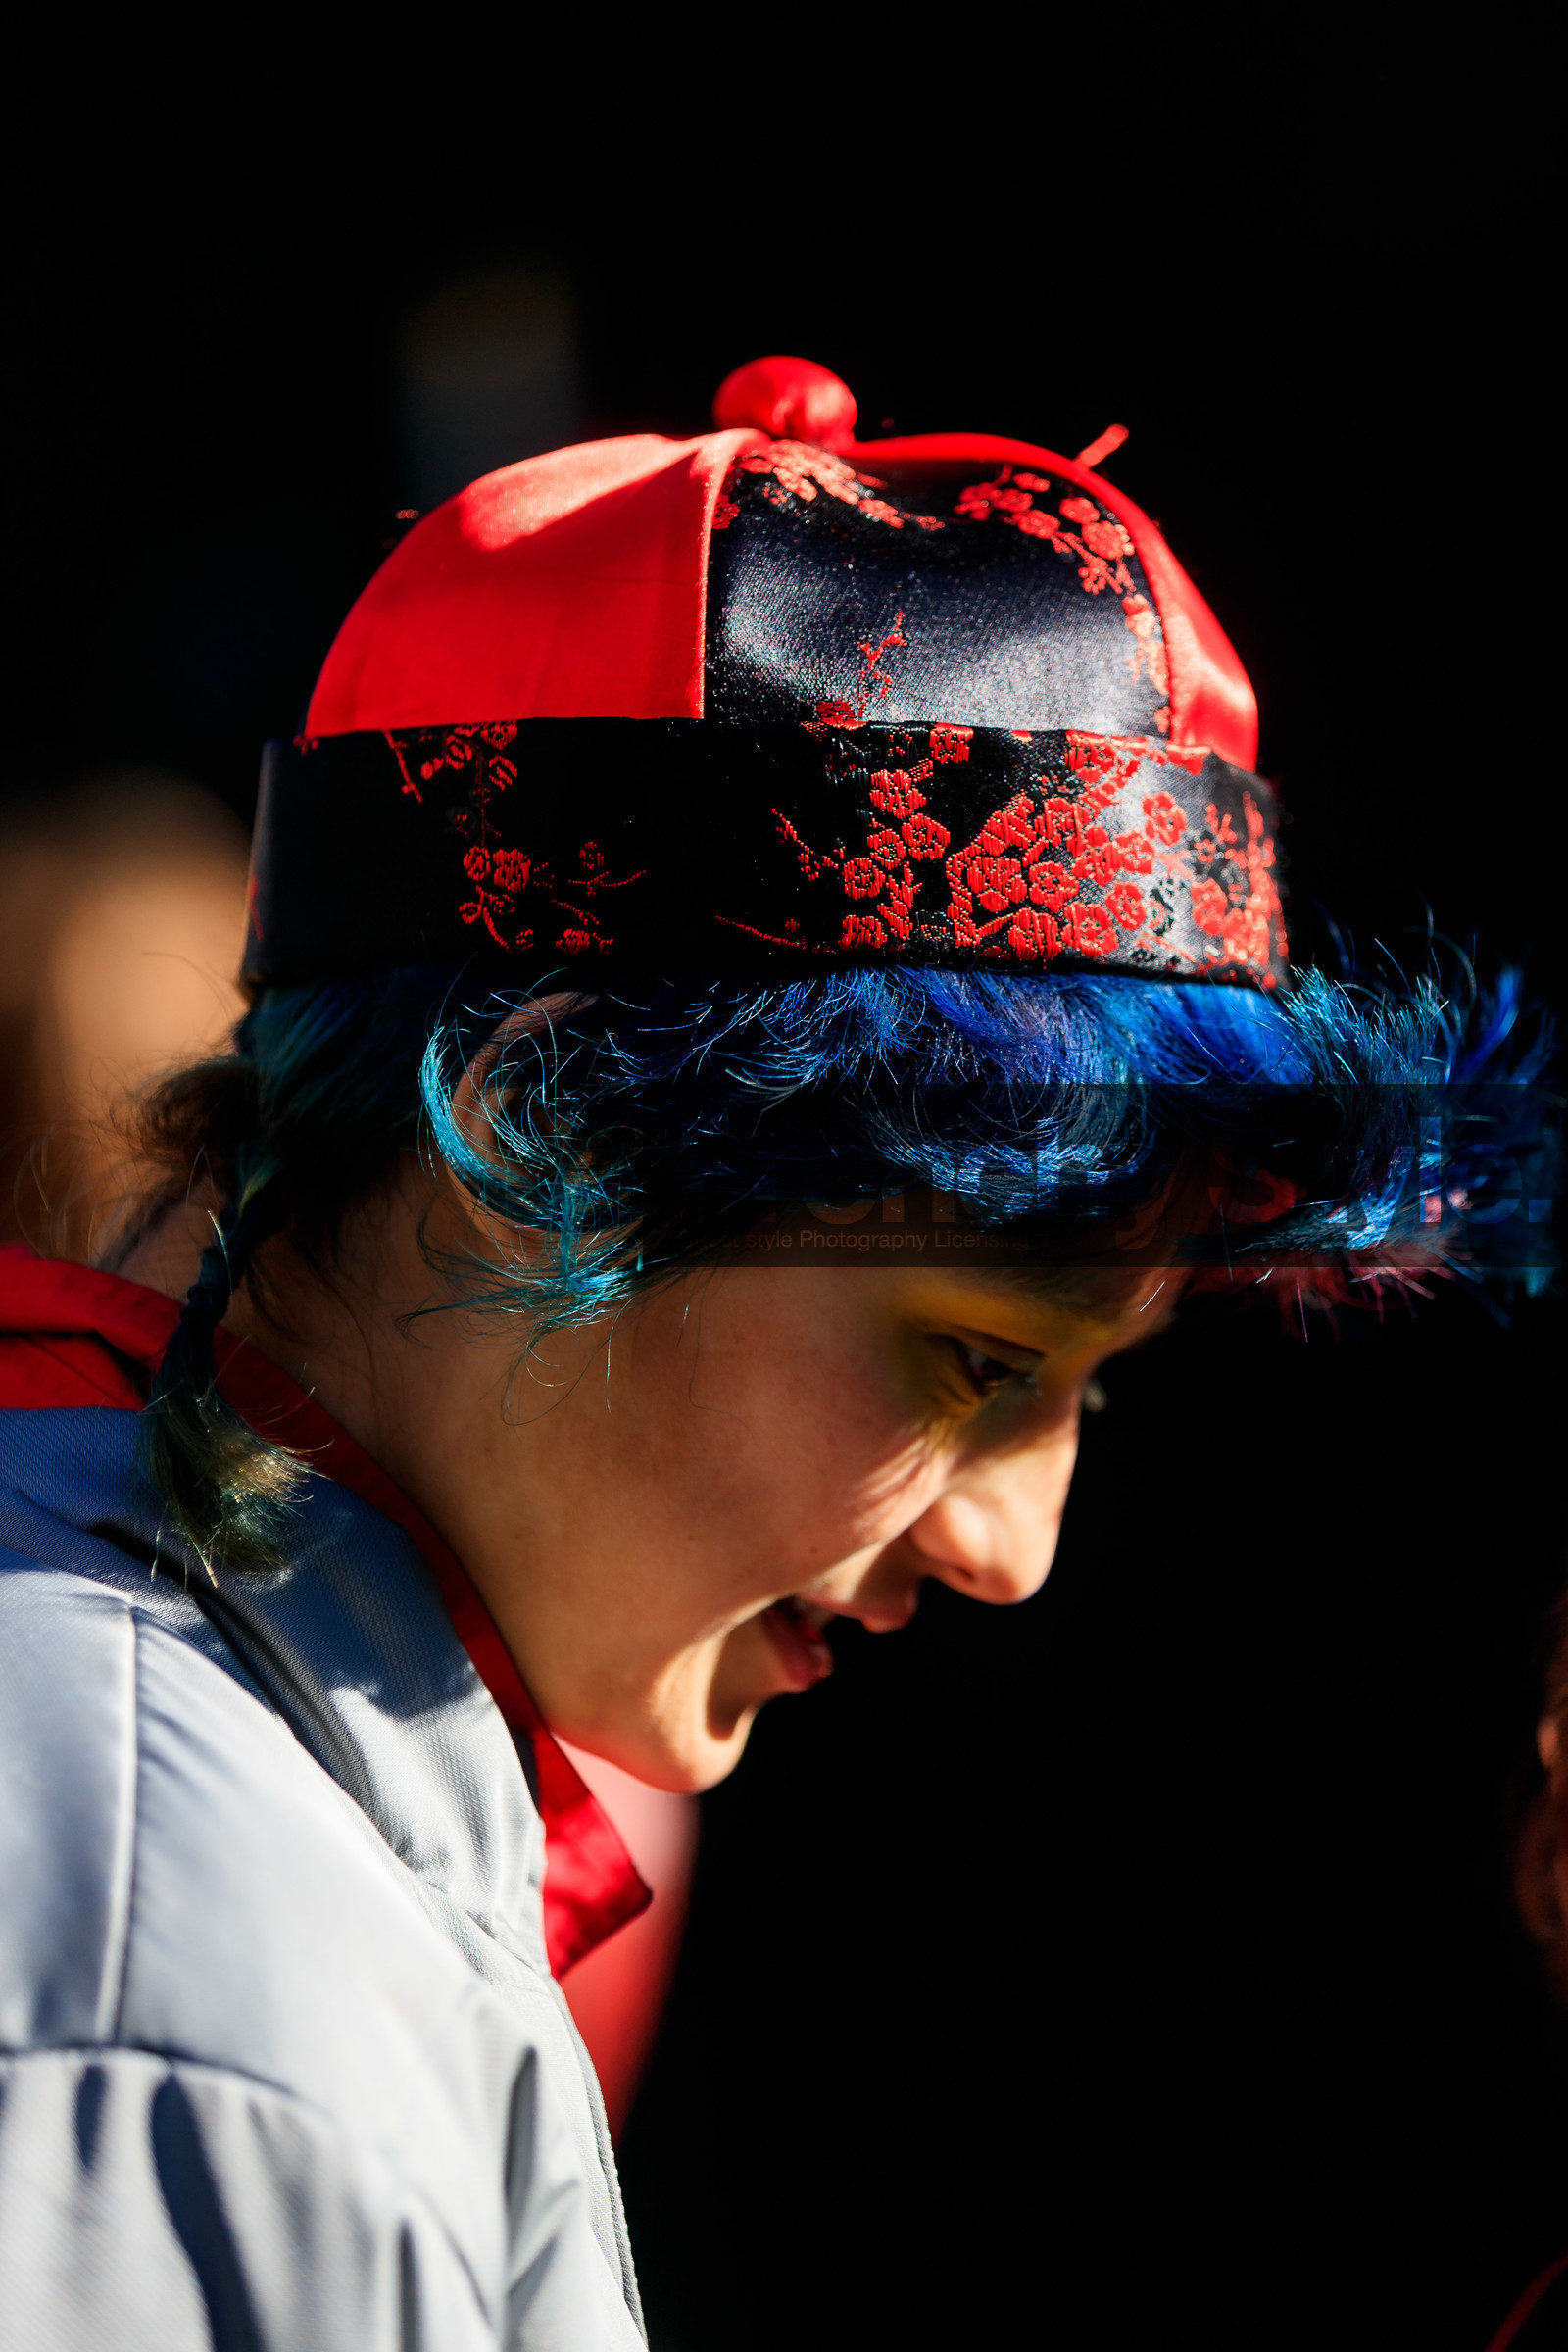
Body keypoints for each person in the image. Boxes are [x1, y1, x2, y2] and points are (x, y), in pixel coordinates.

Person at [0, 356, 1519, 2349]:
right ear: (544, 1144)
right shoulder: (179, 1992)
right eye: (971, 1360)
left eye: (1094, 1386)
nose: (1015, 1553)